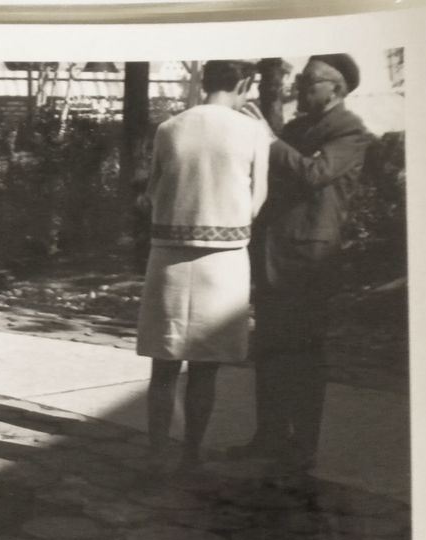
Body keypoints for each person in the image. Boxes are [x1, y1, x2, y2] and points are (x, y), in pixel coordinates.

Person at [231, 53, 373, 471]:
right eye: (301, 81)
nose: (300, 89)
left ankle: (303, 446)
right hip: (276, 255)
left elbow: (314, 175)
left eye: (310, 83)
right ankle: (269, 436)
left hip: (310, 261)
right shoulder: (296, 128)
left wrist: (270, 140)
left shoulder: (350, 132)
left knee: (305, 355)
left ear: (336, 89)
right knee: (271, 350)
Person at [135, 59, 270, 472]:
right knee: (206, 369)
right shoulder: (253, 132)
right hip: (223, 260)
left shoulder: (169, 128)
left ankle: (157, 451)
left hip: (170, 258)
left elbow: (153, 193)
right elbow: (256, 201)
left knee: (165, 363)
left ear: (203, 82)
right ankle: (191, 454)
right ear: (244, 83)